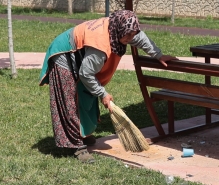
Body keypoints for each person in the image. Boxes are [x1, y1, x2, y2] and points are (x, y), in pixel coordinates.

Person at [40, 10, 177, 162]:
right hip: (63, 55)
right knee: (69, 101)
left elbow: (140, 37)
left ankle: (82, 134)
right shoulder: (101, 45)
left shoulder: (120, 29)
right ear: (119, 30)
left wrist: (158, 55)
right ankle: (76, 146)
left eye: (132, 34)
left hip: (82, 57)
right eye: (128, 35)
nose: (131, 39)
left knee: (85, 95)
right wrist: (103, 93)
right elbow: (86, 73)